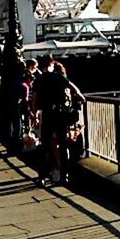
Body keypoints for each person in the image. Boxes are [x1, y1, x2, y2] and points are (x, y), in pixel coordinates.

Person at [32, 56, 84, 185]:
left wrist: (35, 114)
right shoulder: (57, 77)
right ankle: (64, 176)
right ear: (51, 65)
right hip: (60, 115)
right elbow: (72, 87)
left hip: (47, 114)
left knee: (45, 147)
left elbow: (35, 98)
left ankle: (42, 176)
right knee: (62, 145)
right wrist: (81, 97)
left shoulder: (39, 79)